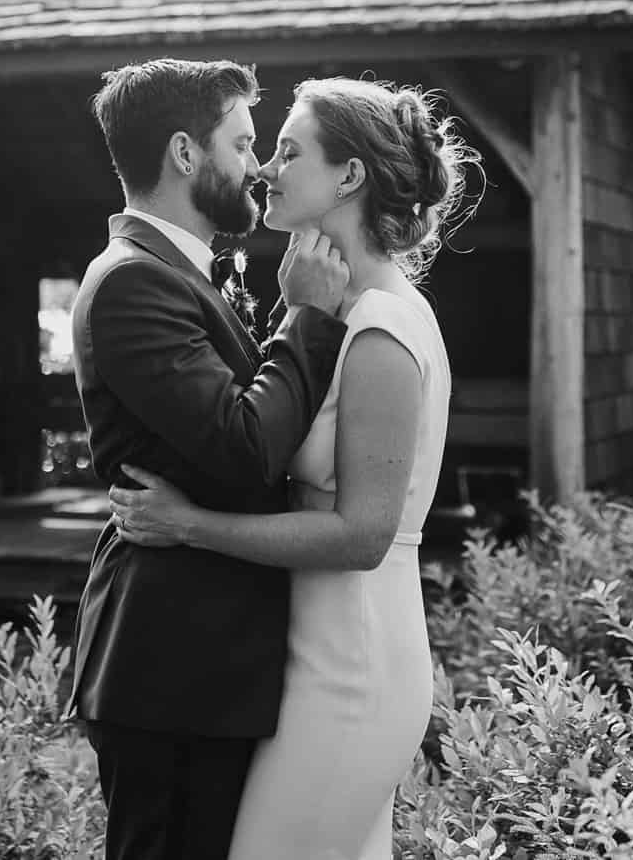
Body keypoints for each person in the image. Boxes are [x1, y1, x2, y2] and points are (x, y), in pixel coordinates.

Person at [111, 76, 478, 860]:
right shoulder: (343, 317)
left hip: (353, 661)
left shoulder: (381, 324)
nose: (265, 170)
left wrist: (191, 526)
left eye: (285, 150)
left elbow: (363, 535)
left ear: (348, 176)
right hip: (310, 654)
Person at [70, 57, 354, 860]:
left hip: (207, 666)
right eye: (243, 141)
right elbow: (245, 448)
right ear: (185, 154)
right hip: (172, 666)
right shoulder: (131, 283)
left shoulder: (177, 273)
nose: (261, 164)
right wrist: (304, 315)